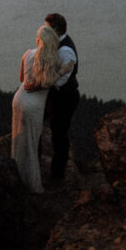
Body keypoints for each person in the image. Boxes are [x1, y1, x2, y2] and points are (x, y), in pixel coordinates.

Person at [11, 24, 72, 193]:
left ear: (38, 40)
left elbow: (22, 77)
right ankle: (32, 185)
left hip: (18, 99)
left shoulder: (27, 54)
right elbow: (47, 83)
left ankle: (16, 177)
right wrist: (64, 70)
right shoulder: (51, 59)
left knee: (18, 140)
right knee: (31, 143)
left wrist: (32, 82)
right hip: (34, 105)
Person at [44, 12, 79, 181]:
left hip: (64, 98)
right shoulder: (57, 43)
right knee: (54, 133)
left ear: (56, 30)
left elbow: (58, 81)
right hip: (55, 96)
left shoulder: (65, 51)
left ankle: (57, 176)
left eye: (47, 29)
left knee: (59, 135)